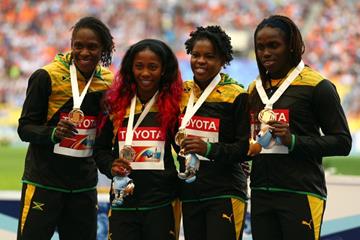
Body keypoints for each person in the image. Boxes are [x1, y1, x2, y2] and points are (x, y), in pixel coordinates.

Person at [247, 15, 352, 240]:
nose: (265, 53)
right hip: (260, 194)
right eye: (260, 47)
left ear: (292, 46)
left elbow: (343, 142)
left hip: (300, 193)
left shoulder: (318, 86)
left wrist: (293, 141)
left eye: (274, 45)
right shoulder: (254, 90)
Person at [17, 16, 115, 239]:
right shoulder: (46, 76)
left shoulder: (108, 82)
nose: (84, 53)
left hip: (83, 186)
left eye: (92, 47)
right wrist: (53, 133)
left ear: (104, 49)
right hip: (44, 182)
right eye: (78, 46)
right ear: (71, 45)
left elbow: (105, 132)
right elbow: (25, 128)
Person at [94, 39, 183, 240]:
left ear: (163, 70)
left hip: (161, 204)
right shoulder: (116, 106)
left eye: (153, 67)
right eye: (139, 66)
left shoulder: (174, 107)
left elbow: (184, 152)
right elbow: (99, 151)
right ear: (130, 69)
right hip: (122, 202)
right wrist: (110, 165)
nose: (145, 73)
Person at [178, 25, 250, 240]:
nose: (200, 61)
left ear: (223, 60)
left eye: (209, 56)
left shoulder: (237, 95)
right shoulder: (182, 92)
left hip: (225, 191)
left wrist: (208, 148)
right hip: (190, 191)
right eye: (196, 55)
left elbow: (246, 148)